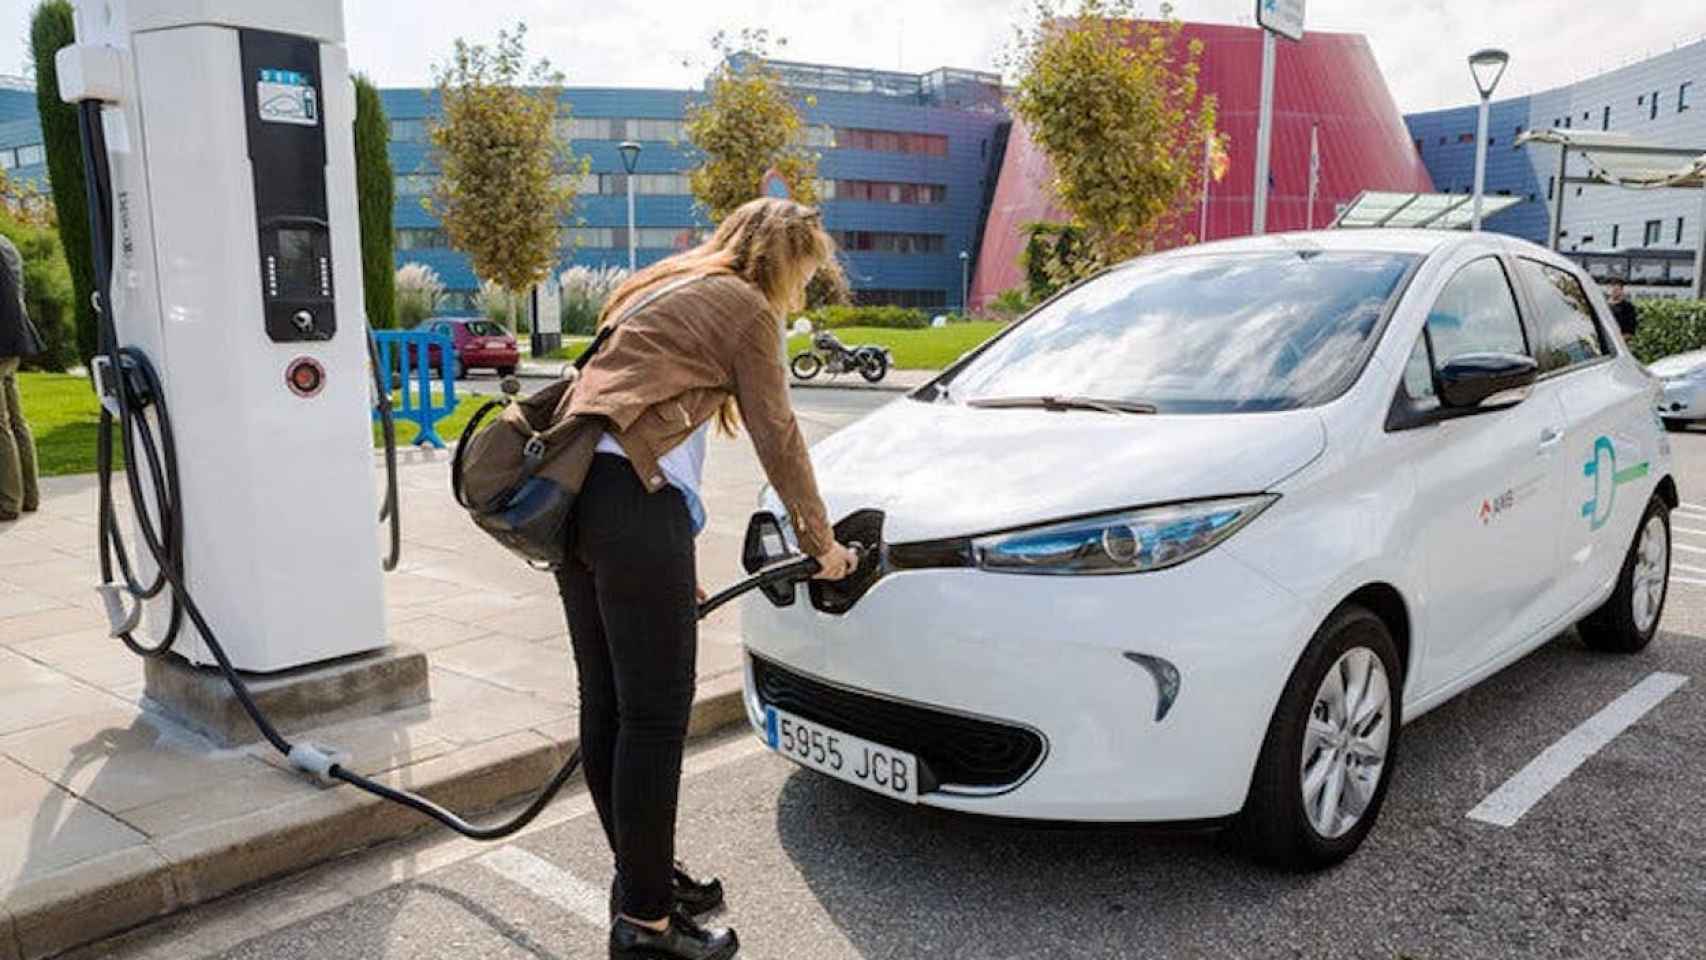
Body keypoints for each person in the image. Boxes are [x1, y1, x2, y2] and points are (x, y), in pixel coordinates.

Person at [555, 197, 859, 960]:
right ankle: (649, 926)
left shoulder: (659, 282)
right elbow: (778, 435)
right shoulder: (747, 306)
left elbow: (636, 420)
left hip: (573, 500)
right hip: (630, 507)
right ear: (787, 261)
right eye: (805, 273)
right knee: (654, 718)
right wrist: (821, 545)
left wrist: (669, 563)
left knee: (609, 705)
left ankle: (644, 882)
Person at [0, 232, 43, 522]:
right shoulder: (6, 244)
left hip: (2, 341)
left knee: (1, 425)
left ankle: (7, 502)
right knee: (16, 421)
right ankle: (28, 495)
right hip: (13, 342)